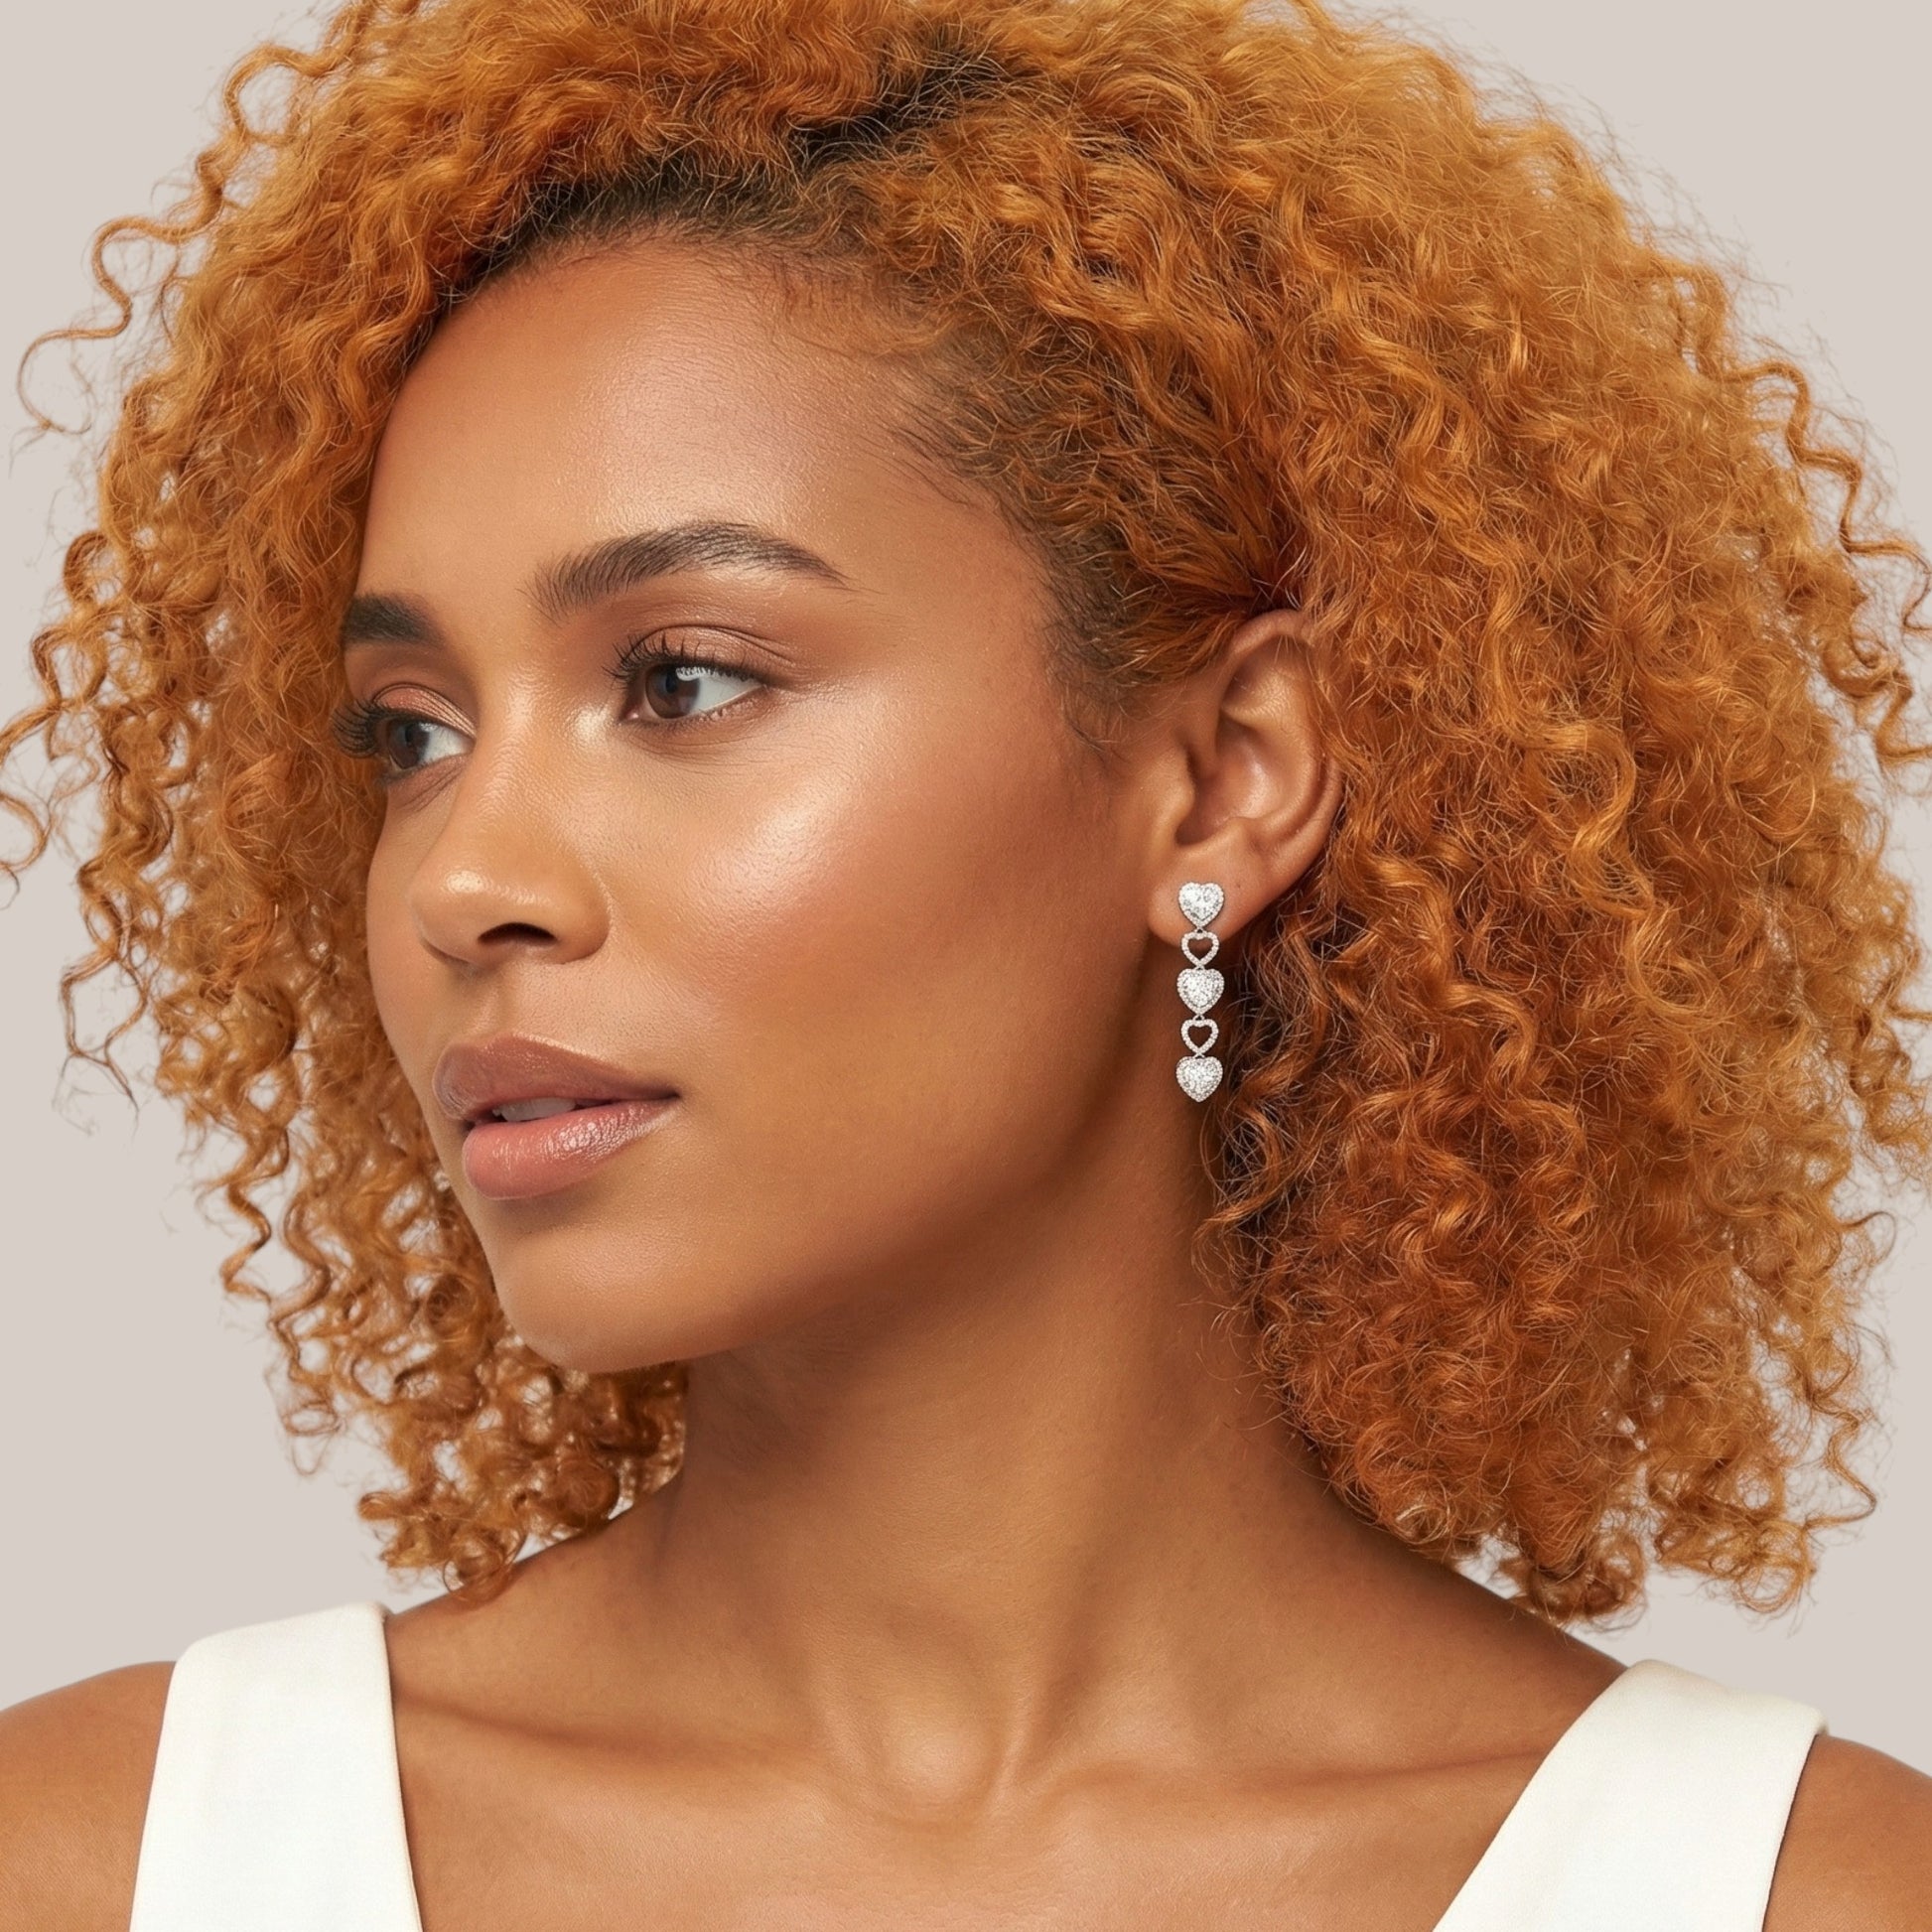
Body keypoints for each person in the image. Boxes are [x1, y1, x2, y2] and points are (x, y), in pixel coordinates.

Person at [1, 0, 1928, 1923]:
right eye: (411, 732)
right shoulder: (94, 1859)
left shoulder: (1793, 1894)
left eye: (680, 680)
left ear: (1218, 781)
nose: (466, 880)